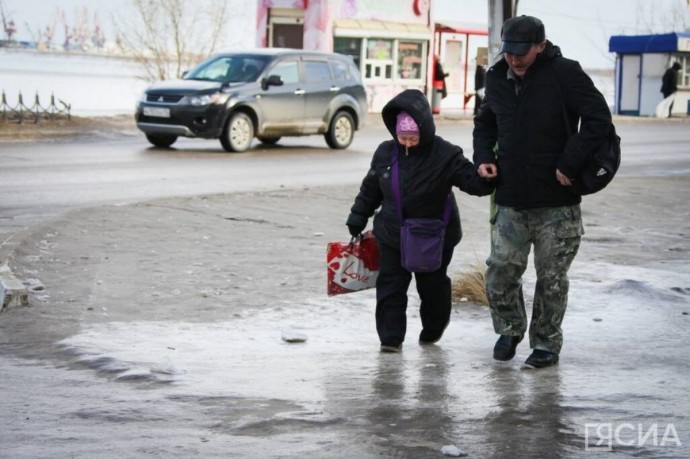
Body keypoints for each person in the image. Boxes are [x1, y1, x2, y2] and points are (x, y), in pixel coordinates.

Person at [472, 16, 612, 368]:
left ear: (540, 45)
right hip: (511, 196)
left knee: (551, 278)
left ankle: (546, 345)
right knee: (501, 269)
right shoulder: (495, 77)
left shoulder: (565, 73)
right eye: (509, 52)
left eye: (522, 52)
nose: (514, 60)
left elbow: (598, 120)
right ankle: (510, 328)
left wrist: (569, 162)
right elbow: (485, 122)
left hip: (557, 200)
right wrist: (484, 156)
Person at [346, 89, 494, 353]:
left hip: (434, 236)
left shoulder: (446, 154)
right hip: (392, 233)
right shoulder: (385, 153)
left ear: (425, 131)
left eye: (413, 138)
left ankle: (434, 327)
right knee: (390, 287)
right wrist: (358, 217)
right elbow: (371, 188)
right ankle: (390, 339)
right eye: (402, 137)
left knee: (432, 288)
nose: (408, 144)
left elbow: (473, 183)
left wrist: (487, 176)